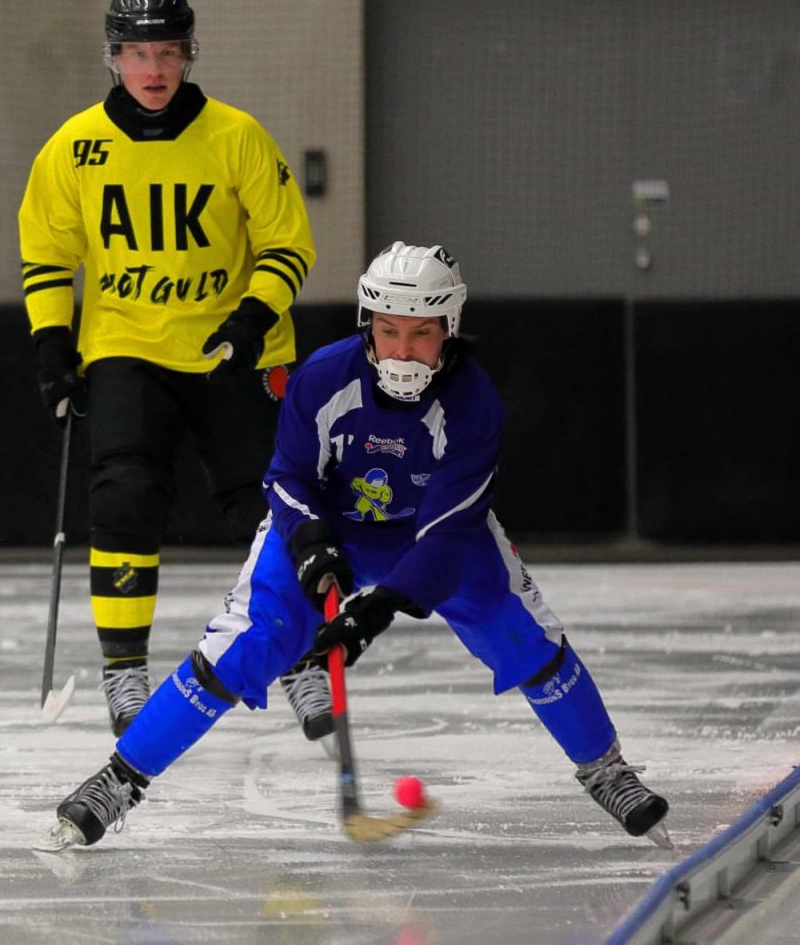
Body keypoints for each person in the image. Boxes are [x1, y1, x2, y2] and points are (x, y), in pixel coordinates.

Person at [43, 243, 671, 849]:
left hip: (428, 536)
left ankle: (605, 768)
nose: (403, 349)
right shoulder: (322, 378)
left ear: (449, 330)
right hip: (330, 525)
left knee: (521, 631)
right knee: (250, 640)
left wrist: (372, 614)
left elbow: (448, 531)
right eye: (390, 330)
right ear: (368, 326)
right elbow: (287, 479)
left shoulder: (474, 405)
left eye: (422, 333)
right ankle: (119, 780)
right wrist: (313, 544)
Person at [18, 0, 321, 736]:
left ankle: (301, 655)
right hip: (128, 343)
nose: (152, 69)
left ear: (190, 54)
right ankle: (124, 672)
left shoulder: (237, 136)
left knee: (268, 504)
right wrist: (54, 347)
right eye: (136, 54)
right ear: (113, 58)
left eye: (168, 53)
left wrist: (251, 322)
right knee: (123, 493)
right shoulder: (74, 146)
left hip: (232, 346)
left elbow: (289, 244)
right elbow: (48, 255)